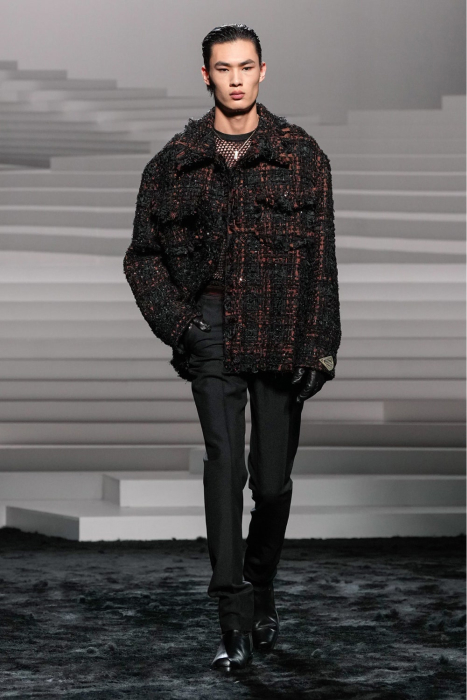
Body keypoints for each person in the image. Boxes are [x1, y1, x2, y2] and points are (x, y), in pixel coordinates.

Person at [123, 23, 341, 671]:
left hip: (280, 327)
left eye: (246, 67)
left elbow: (322, 260)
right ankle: (232, 616)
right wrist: (182, 325)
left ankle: (261, 581)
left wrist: (320, 346)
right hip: (211, 325)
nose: (236, 79)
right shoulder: (174, 163)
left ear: (262, 71)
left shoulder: (301, 156)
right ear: (206, 76)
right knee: (226, 467)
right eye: (224, 68)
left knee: (271, 483)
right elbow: (142, 257)